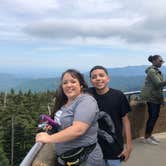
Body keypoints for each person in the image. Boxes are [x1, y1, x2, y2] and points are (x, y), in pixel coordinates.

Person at [36, 69, 103, 166]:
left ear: (81, 85)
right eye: (65, 83)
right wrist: (53, 127)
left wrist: (49, 138)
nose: (69, 85)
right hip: (67, 159)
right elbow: (64, 125)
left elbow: (78, 129)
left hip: (85, 159)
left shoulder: (86, 101)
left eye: (73, 81)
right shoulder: (64, 102)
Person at [89, 65, 132, 166]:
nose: (98, 78)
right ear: (91, 81)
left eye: (101, 75)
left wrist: (129, 146)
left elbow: (126, 121)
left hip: (115, 148)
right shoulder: (87, 95)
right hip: (93, 148)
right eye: (94, 77)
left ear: (108, 78)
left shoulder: (118, 96)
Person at [140, 55, 166, 145]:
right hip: (152, 98)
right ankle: (146, 138)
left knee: (154, 117)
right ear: (154, 61)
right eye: (160, 61)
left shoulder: (157, 71)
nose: (162, 62)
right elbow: (158, 84)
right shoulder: (151, 71)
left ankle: (149, 135)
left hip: (156, 97)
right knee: (152, 117)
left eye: (162, 61)